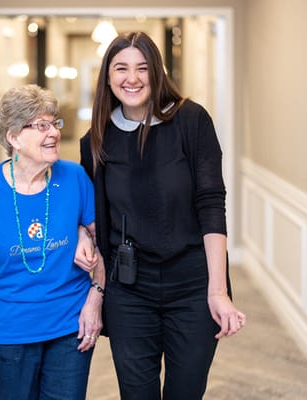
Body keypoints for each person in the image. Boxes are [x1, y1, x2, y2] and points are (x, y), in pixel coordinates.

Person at [76, 32, 246, 399]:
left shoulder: (191, 121)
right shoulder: (96, 140)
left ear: (157, 72)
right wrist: (80, 234)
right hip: (129, 291)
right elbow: (89, 214)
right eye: (121, 68)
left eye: (142, 68)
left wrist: (217, 291)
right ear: (107, 76)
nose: (132, 78)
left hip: (192, 285)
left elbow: (212, 205)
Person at [0, 84, 105, 400]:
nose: (54, 133)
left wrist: (95, 297)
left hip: (70, 326)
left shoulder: (74, 178)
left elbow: (105, 244)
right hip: (9, 331)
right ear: (13, 137)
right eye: (41, 126)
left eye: (55, 123)